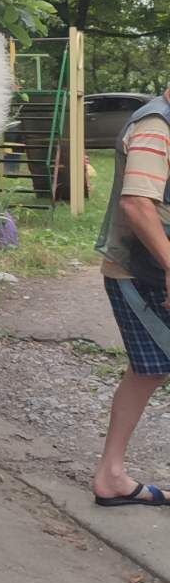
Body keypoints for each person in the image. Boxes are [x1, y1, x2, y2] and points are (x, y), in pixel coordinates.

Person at [93, 83, 170, 506]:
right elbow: (138, 204)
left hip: (152, 270)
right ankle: (110, 474)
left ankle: (110, 475)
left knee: (148, 371)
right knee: (150, 369)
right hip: (139, 274)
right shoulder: (156, 126)